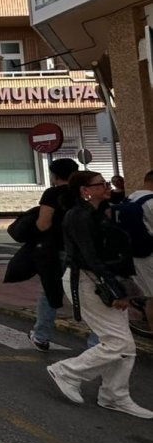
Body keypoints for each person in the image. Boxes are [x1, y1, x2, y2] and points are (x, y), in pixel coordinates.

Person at [46, 170, 152, 418]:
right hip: (90, 281)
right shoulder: (78, 216)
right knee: (119, 343)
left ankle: (114, 395)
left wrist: (123, 287)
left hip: (105, 280)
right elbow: (90, 257)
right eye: (101, 184)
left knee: (123, 343)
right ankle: (67, 371)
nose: (107, 186)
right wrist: (115, 290)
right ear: (85, 191)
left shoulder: (103, 211)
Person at [29, 158, 81, 351]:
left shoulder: (52, 194)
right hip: (84, 250)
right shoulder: (84, 192)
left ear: (54, 175)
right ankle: (97, 340)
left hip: (57, 249)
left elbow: (43, 224)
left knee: (50, 291)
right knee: (88, 293)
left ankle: (41, 336)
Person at [125, 170, 153, 332]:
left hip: (136, 255)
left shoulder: (130, 198)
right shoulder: (151, 202)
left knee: (150, 296)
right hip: (149, 256)